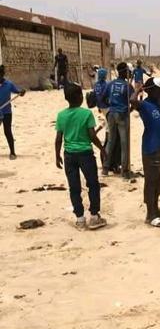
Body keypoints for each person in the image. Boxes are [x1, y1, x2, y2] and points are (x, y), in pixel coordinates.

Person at [55, 83, 107, 230]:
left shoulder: (61, 115)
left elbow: (58, 138)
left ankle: (80, 218)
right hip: (85, 154)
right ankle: (94, 216)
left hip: (69, 155)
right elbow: (92, 136)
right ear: (80, 97)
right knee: (93, 184)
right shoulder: (86, 114)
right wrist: (102, 149)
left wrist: (57, 155)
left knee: (74, 187)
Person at [131, 77, 160, 227]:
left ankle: (156, 208)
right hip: (150, 147)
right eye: (158, 90)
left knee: (158, 179)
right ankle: (150, 214)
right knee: (151, 180)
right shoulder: (144, 105)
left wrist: (157, 89)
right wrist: (138, 89)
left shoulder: (157, 101)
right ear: (151, 91)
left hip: (159, 146)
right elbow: (132, 101)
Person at [101, 62, 134, 179]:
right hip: (122, 115)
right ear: (124, 72)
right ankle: (125, 171)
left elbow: (102, 98)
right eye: (128, 71)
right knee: (124, 143)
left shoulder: (110, 84)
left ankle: (105, 168)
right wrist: (130, 110)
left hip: (111, 114)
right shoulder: (127, 86)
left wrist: (110, 107)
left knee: (111, 141)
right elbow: (133, 100)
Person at [0, 65, 26, 160]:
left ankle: (12, 152)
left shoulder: (9, 84)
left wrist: (21, 92)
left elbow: (18, 91)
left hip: (6, 112)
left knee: (7, 131)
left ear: (2, 75)